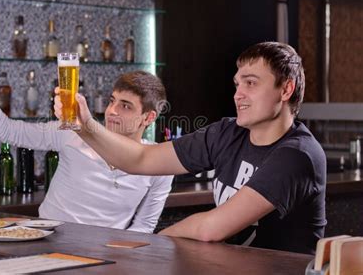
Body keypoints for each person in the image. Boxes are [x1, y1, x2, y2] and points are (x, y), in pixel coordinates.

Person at [55, 42, 326, 254]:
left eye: (251, 83)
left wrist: (153, 243)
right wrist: (85, 126)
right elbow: (141, 159)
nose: (238, 93)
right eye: (237, 84)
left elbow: (212, 228)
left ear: (286, 89)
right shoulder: (227, 133)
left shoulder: (298, 155)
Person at [0, 44, 173, 233]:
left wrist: (114, 258)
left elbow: (144, 226)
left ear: (148, 117)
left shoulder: (158, 164)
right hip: (46, 241)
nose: (112, 110)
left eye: (125, 106)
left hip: (104, 258)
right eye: (112, 101)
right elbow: (3, 130)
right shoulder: (70, 132)